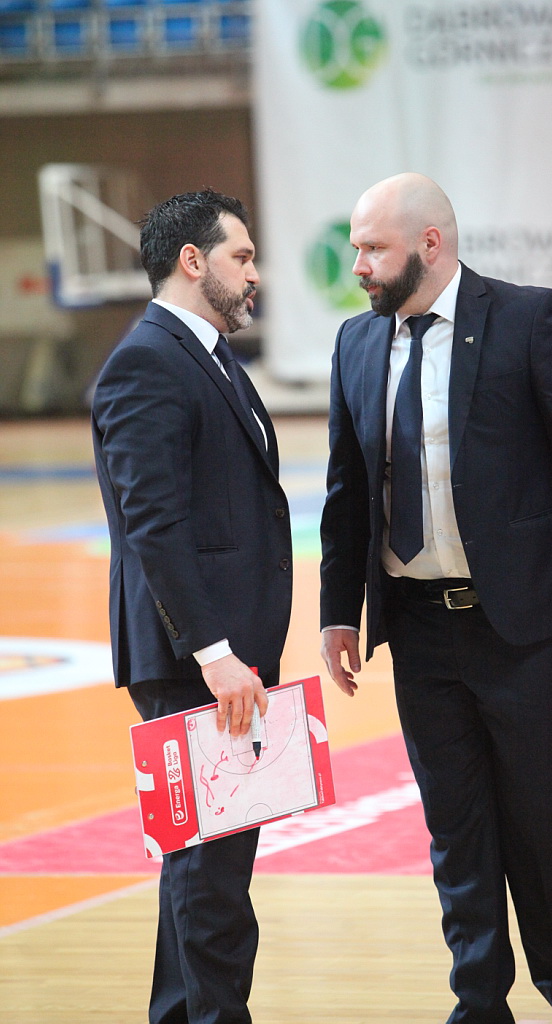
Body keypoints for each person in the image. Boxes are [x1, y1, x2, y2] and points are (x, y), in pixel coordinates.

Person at [320, 173, 552, 1024]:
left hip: (523, 626)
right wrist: (336, 612)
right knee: (455, 827)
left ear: (429, 244)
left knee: (540, 821)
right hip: (417, 628)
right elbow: (346, 494)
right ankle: (478, 1004)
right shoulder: (356, 342)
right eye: (355, 248)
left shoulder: (528, 318)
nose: (358, 264)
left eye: (372, 247)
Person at [92, 189, 292, 1024]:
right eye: (241, 257)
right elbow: (155, 524)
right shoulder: (147, 361)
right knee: (211, 884)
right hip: (196, 663)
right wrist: (213, 652)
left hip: (223, 658)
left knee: (205, 873)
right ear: (192, 261)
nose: (254, 274)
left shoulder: (205, 354)